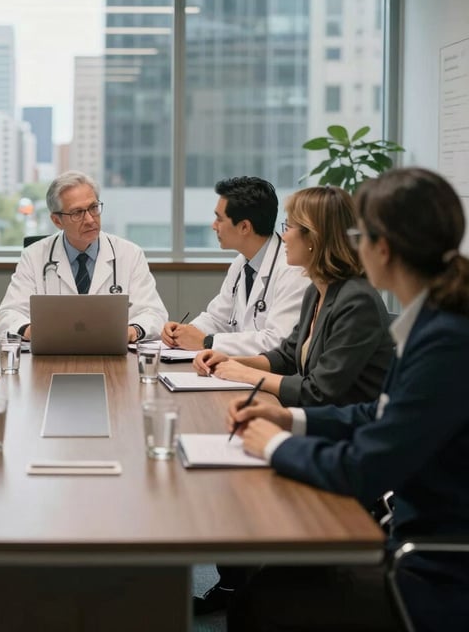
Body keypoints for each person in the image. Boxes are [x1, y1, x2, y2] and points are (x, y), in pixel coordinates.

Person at [223, 167, 469, 632]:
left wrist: (272, 445)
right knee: (274, 582)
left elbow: (363, 468)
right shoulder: (432, 323)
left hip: (436, 572)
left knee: (263, 603)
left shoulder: (446, 342)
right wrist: (288, 420)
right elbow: (376, 414)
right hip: (415, 543)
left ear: (382, 247)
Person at [193, 185, 392, 407]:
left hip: (342, 430)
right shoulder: (316, 292)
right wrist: (229, 361)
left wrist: (245, 374)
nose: (283, 236)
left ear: (314, 238)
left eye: (289, 227)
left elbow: (318, 392)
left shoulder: (356, 302)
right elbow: (286, 357)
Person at [0, 170, 167, 342]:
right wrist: (33, 331)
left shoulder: (130, 254)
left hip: (112, 357)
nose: (90, 220)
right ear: (57, 221)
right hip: (52, 357)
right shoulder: (34, 256)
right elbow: (8, 314)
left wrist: (132, 331)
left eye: (93, 208)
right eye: (77, 213)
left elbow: (154, 313)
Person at [162, 177, 308, 355]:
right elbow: (217, 318)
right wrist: (183, 332)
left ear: (244, 227)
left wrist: (208, 342)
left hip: (267, 375)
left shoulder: (292, 269)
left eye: (219, 219)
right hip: (238, 371)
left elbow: (278, 341)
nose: (213, 226)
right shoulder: (241, 263)